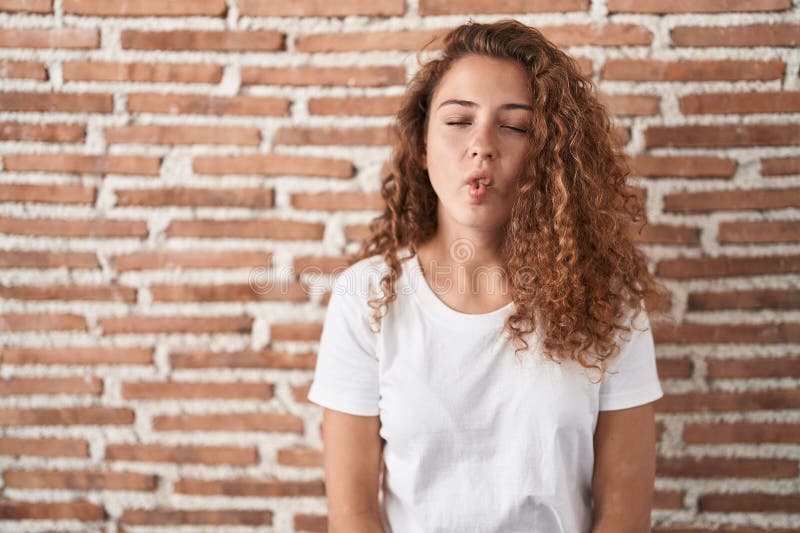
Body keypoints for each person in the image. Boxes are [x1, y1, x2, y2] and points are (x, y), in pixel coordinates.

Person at [307, 19, 670, 533]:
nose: (482, 145)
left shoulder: (608, 303)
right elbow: (354, 514)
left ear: (548, 155)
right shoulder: (364, 298)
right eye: (458, 121)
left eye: (515, 126)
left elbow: (623, 517)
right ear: (423, 145)